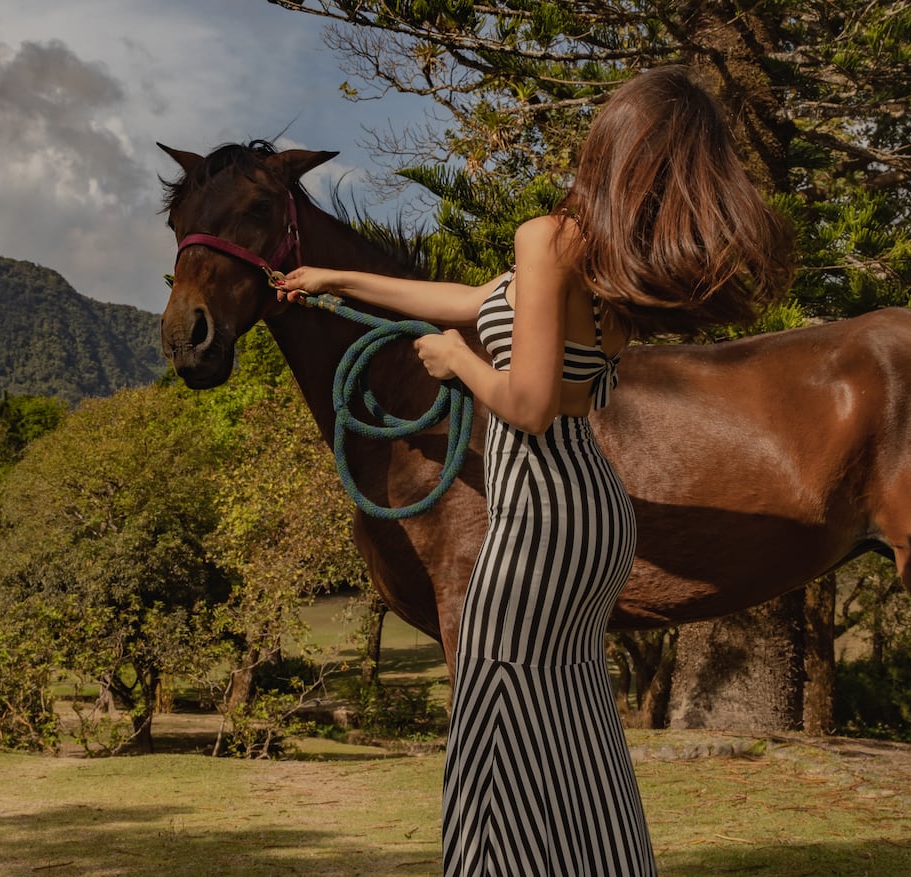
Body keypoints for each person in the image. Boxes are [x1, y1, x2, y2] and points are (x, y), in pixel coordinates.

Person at [278, 65, 794, 877]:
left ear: (614, 146)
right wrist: (335, 277)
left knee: (491, 719)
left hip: (538, 513)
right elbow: (476, 299)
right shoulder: (618, 267)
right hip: (594, 515)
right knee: (575, 721)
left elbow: (525, 404)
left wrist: (457, 363)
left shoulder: (549, 239)